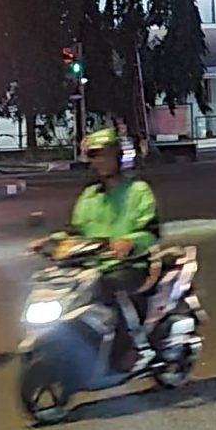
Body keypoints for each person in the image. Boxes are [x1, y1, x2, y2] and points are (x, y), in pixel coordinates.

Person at [65, 129, 161, 370]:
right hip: (94, 266)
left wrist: (130, 242)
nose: (101, 161)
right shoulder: (90, 196)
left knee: (109, 286)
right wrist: (50, 242)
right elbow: (75, 231)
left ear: (118, 157)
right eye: (96, 156)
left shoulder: (138, 191)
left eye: (105, 155)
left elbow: (151, 231)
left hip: (132, 264)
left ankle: (130, 348)